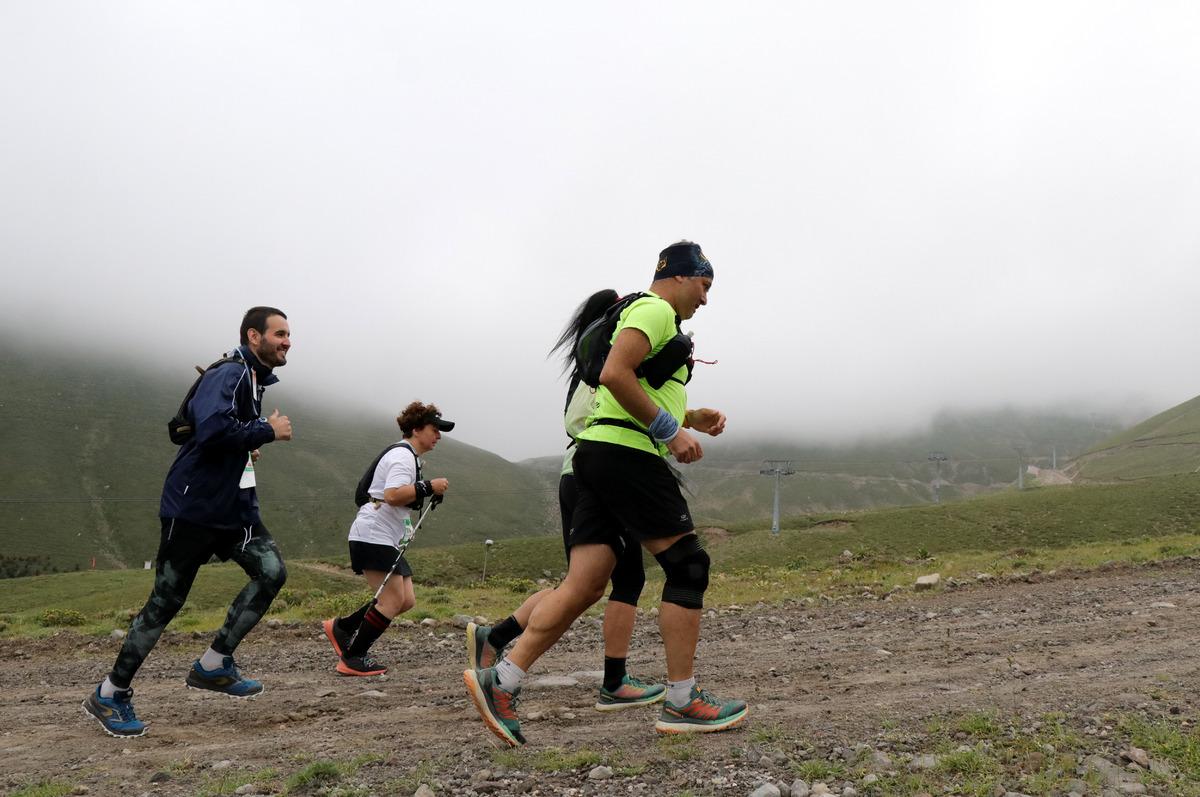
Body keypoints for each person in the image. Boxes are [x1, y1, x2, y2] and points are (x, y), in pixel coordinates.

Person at [464, 241, 746, 747]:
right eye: (704, 286)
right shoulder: (655, 309)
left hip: (595, 453)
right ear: (682, 276)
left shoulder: (643, 312)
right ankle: (682, 701)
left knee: (588, 582)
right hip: (626, 453)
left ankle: (501, 679)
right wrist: (670, 431)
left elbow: (631, 382)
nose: (705, 299)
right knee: (688, 565)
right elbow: (615, 374)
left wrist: (689, 415)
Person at [83, 306, 294, 738]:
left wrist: (249, 442)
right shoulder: (231, 372)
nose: (287, 341)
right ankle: (110, 693)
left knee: (272, 571)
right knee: (166, 602)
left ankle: (214, 665)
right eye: (279, 333)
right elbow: (212, 431)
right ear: (254, 336)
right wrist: (266, 432)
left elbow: (221, 433)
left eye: (288, 334)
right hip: (193, 509)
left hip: (233, 511)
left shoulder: (252, 379)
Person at [465, 289, 666, 712]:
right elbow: (601, 418)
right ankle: (612, 681)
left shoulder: (586, 367)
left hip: (576, 474)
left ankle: (497, 637)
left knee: (582, 584)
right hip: (600, 475)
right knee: (614, 582)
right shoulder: (605, 368)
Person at [322, 401, 452, 676]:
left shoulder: (409, 456)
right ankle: (353, 657)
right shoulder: (402, 456)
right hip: (374, 534)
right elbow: (392, 495)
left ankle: (344, 627)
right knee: (392, 600)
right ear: (416, 429)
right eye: (434, 429)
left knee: (406, 600)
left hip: (383, 535)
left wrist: (425, 490)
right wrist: (428, 486)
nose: (439, 436)